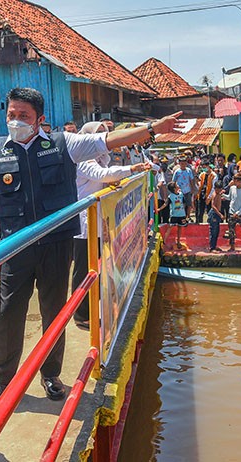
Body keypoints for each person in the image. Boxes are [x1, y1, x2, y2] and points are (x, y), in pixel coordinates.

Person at [0, 87, 185, 408]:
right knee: (7, 314)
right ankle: (3, 379)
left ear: (40, 120)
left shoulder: (63, 144)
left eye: (23, 116)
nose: (15, 122)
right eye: (11, 115)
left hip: (56, 246)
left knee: (53, 312)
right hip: (15, 249)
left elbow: (107, 142)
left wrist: (153, 129)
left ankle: (51, 376)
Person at [71, 121, 149, 330]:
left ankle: (89, 309)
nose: (102, 138)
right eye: (98, 134)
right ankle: (81, 315)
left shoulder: (100, 159)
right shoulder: (83, 158)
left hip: (96, 220)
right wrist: (132, 168)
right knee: (83, 270)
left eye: (104, 134)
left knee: (94, 267)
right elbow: (102, 176)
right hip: (84, 223)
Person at [171, 154, 196, 220]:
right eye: (182, 163)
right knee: (180, 204)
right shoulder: (177, 172)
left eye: (184, 163)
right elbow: (173, 181)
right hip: (179, 191)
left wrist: (193, 188)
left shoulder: (189, 170)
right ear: (179, 163)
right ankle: (181, 216)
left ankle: (188, 216)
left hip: (187, 190)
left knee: (189, 204)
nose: (183, 164)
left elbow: (191, 179)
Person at [207, 181, 224, 252]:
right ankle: (212, 247)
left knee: (217, 231)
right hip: (214, 214)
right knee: (213, 231)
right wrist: (220, 214)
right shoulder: (214, 195)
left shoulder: (219, 194)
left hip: (217, 213)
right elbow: (213, 206)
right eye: (217, 189)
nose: (218, 191)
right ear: (215, 188)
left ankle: (214, 246)